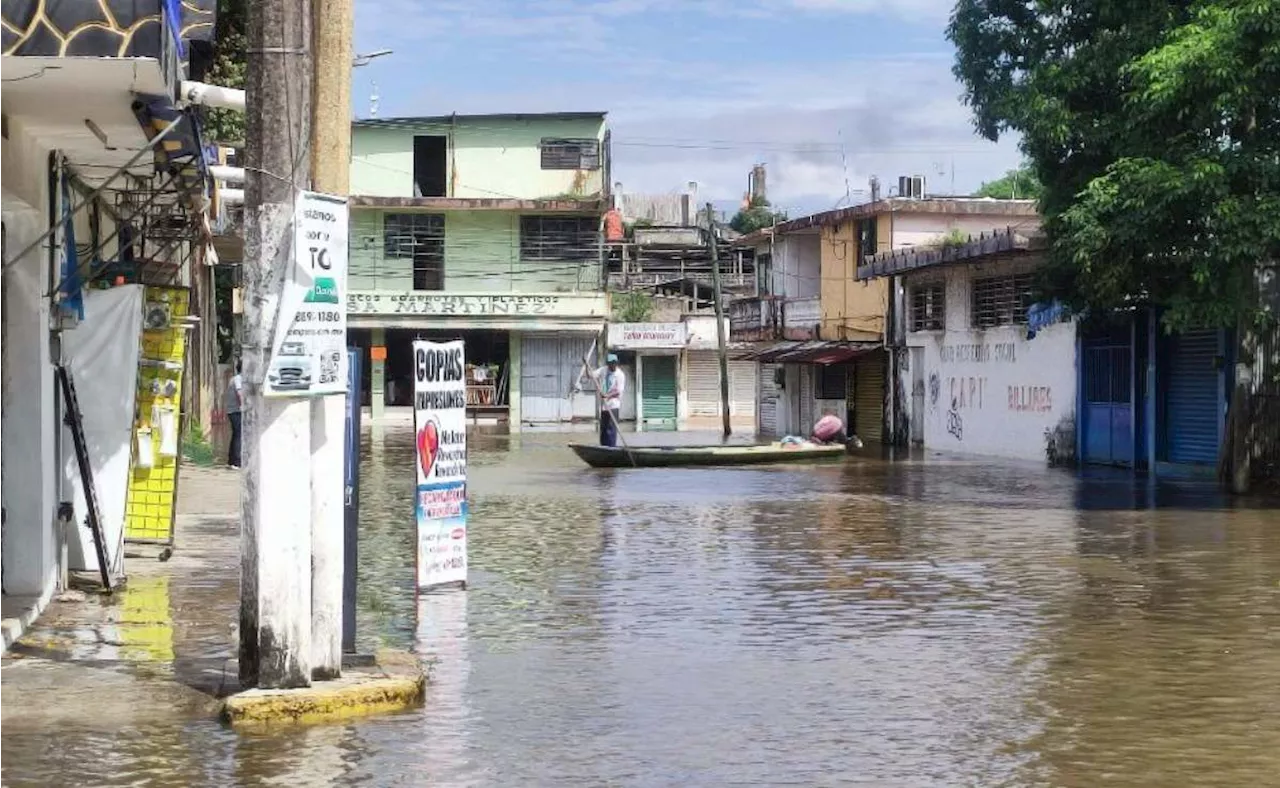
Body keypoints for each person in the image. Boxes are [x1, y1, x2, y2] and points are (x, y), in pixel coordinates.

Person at [592, 353, 627, 447]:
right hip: (604, 406)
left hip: (613, 405)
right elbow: (592, 375)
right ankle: (603, 447)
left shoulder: (620, 375)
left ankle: (611, 447)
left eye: (614, 363)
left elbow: (618, 391)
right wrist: (587, 367)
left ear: (616, 363)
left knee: (611, 428)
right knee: (603, 428)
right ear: (608, 364)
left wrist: (607, 395)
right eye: (610, 363)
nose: (612, 365)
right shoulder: (603, 370)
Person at [225, 360, 243, 468]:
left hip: (233, 410)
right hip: (236, 411)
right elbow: (240, 394)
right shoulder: (238, 379)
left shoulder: (235, 378)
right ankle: (236, 461)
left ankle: (231, 460)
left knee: (236, 434)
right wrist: (244, 407)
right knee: (239, 435)